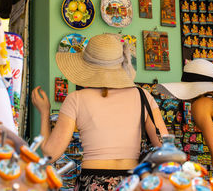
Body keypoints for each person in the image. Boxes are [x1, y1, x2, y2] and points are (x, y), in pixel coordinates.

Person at [31, 33, 168, 190]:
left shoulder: (76, 99)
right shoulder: (143, 96)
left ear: (87, 65)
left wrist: (44, 112)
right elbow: (165, 148)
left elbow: (50, 154)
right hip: (134, 183)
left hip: (92, 182)